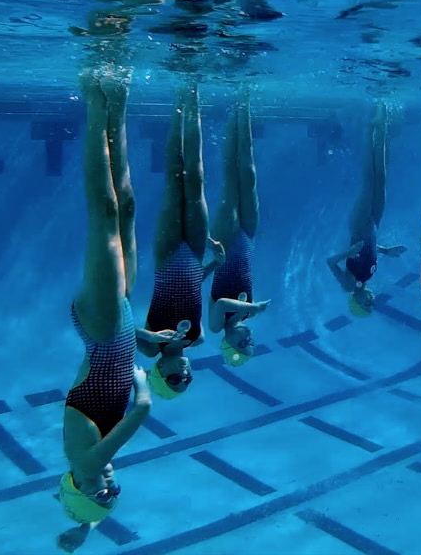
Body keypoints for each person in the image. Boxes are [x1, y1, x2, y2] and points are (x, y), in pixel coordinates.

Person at [59, 67, 183, 551]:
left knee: (106, 214)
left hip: (103, 327)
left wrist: (141, 377)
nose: (110, 486)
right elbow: (88, 493)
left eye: (103, 494)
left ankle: (97, 101)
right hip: (120, 326)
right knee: (126, 206)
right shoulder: (88, 467)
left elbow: (144, 407)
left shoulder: (86, 462)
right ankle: (118, 102)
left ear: (82, 487)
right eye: (114, 494)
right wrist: (145, 341)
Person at [138, 86, 225, 397]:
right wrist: (215, 263)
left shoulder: (151, 348)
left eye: (176, 380)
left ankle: (178, 104)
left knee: (175, 178)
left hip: (168, 256)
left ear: (160, 373)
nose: (185, 376)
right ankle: (193, 96)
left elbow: (115, 330)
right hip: (196, 254)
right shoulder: (196, 338)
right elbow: (190, 289)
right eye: (188, 381)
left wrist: (149, 334)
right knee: (197, 179)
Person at [326, 101, 406, 317]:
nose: (372, 301)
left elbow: (330, 262)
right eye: (372, 304)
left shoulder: (349, 286)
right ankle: (381, 127)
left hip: (359, 226)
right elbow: (368, 251)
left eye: (367, 304)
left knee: (369, 180)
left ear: (357, 303)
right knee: (381, 178)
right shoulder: (367, 278)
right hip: (373, 228)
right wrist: (386, 250)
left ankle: (372, 127)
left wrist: (348, 253)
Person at [208, 94, 270, 367]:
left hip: (225, 240)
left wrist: (252, 307)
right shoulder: (246, 315)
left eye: (244, 344)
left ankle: (232, 117)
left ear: (229, 343)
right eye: (252, 343)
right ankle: (244, 107)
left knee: (231, 180)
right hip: (247, 239)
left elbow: (222, 302)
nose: (249, 339)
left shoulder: (216, 326)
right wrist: (250, 309)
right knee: (248, 174)